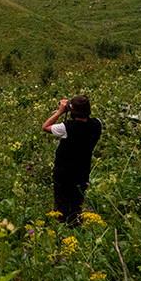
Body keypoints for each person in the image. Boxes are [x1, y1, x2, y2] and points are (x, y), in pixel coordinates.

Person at [42, 95, 102, 225]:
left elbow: (45, 126)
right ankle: (76, 223)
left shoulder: (66, 128)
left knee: (62, 200)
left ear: (72, 112)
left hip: (64, 170)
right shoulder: (97, 124)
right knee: (77, 199)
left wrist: (60, 111)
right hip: (83, 169)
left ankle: (63, 225)